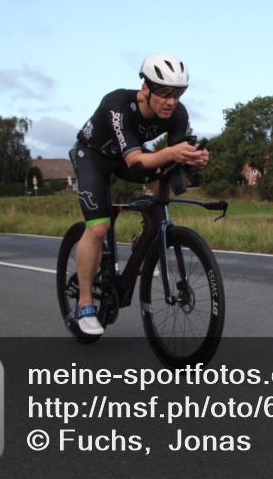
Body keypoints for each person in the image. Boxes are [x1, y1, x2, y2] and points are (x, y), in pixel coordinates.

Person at [68, 54, 209, 335]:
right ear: (145, 88)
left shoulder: (178, 114)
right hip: (93, 156)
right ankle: (84, 304)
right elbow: (135, 160)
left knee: (163, 171)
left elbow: (172, 158)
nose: (171, 101)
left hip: (123, 157)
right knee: (98, 229)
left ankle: (149, 234)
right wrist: (169, 153)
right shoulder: (118, 105)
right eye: (165, 93)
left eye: (178, 93)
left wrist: (194, 157)